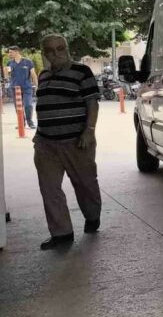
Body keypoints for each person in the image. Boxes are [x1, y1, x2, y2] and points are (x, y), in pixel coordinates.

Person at [32, 34, 102, 250]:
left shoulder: (82, 71)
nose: (56, 54)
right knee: (49, 189)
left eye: (60, 48)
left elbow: (92, 103)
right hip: (46, 144)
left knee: (85, 184)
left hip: (76, 141)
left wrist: (89, 131)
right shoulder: (44, 75)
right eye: (50, 50)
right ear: (44, 53)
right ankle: (62, 233)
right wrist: (39, 135)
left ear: (67, 49)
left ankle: (92, 216)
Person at [6, 46, 38, 128]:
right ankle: (21, 123)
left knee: (28, 105)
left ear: (17, 52)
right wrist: (6, 74)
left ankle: (30, 122)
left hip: (27, 87)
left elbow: (33, 74)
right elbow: (8, 75)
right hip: (14, 88)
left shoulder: (28, 62)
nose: (9, 54)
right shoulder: (9, 63)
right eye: (9, 52)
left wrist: (37, 86)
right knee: (18, 107)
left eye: (11, 52)